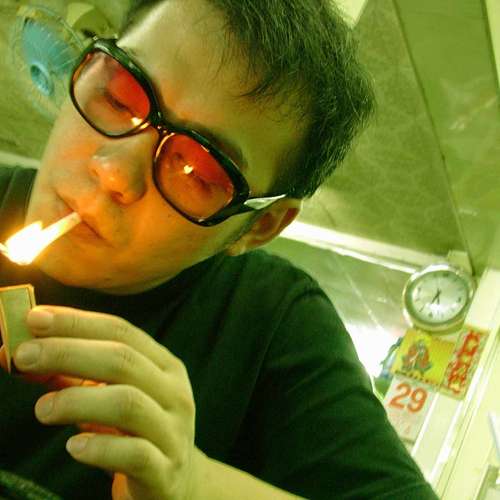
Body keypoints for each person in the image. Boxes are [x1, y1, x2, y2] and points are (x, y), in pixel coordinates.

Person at [0, 0, 438, 498]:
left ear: (259, 226)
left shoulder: (268, 324)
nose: (114, 171)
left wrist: (193, 480)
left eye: (198, 171)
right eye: (119, 97)